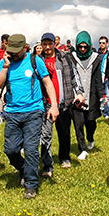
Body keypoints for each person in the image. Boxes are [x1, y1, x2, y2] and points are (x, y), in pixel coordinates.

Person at [0, 34, 59, 200]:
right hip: (12, 112)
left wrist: (54, 106)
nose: (14, 54)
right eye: (11, 51)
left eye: (17, 51)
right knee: (10, 149)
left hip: (34, 112)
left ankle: (31, 184)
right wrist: (5, 67)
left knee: (31, 149)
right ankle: (24, 169)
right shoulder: (5, 62)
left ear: (25, 48)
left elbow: (47, 82)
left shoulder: (35, 61)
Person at [38, 32, 86, 170]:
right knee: (45, 135)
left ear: (55, 44)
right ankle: (47, 163)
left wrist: (79, 92)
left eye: (50, 44)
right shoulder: (37, 60)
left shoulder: (65, 58)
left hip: (64, 102)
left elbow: (74, 76)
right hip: (45, 103)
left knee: (64, 133)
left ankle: (65, 157)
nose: (47, 47)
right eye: (45, 44)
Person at [71, 31, 104, 157]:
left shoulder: (95, 58)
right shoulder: (72, 57)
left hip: (92, 95)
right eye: (80, 47)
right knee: (78, 124)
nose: (83, 49)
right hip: (76, 96)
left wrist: (102, 95)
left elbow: (98, 78)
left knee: (90, 122)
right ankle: (83, 149)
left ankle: (90, 137)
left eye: (85, 47)